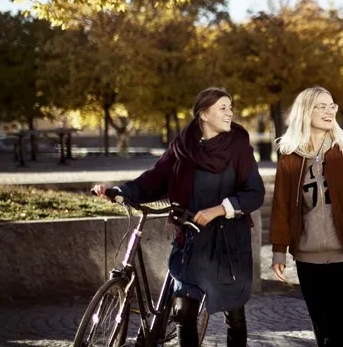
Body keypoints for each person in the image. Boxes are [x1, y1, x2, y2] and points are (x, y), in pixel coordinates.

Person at [92, 87, 264, 347]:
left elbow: (255, 192)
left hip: (229, 242)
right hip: (191, 238)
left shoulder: (239, 145)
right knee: (183, 311)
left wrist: (219, 209)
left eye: (231, 108)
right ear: (204, 114)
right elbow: (154, 179)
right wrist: (120, 191)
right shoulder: (183, 146)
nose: (230, 113)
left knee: (234, 313)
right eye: (223, 108)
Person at [269, 86, 343, 347]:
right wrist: (278, 250)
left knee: (340, 331)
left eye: (332, 105)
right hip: (308, 255)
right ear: (305, 111)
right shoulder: (290, 157)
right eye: (321, 106)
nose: (329, 111)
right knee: (322, 330)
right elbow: (281, 205)